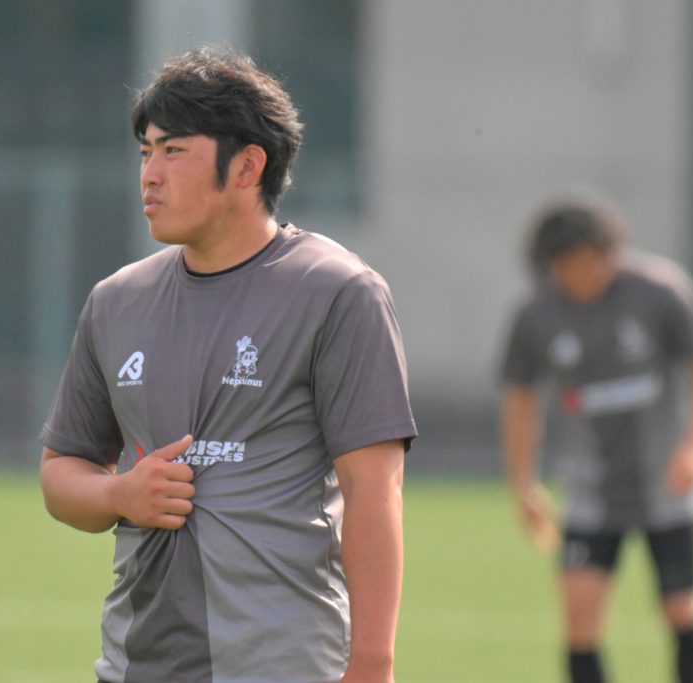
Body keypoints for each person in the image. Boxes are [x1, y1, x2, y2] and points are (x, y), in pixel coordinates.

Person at [38, 46, 416, 683]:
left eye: (173, 150)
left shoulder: (337, 292)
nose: (149, 175)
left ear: (247, 165)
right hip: (136, 664)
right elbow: (61, 473)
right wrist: (118, 493)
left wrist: (373, 665)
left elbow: (374, 490)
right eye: (145, 152)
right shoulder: (116, 301)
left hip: (285, 665)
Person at [498, 195, 693, 683]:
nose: (584, 274)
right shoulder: (536, 315)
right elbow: (521, 401)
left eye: (592, 260)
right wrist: (524, 484)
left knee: (681, 607)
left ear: (610, 251)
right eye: (569, 265)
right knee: (580, 618)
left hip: (666, 485)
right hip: (590, 491)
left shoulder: (659, 291)